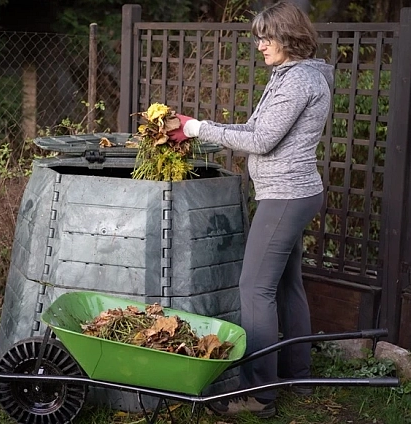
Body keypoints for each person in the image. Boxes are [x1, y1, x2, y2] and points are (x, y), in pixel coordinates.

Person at [168, 1, 334, 418]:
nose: (259, 45)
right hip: (292, 192)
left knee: (254, 288)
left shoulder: (298, 82)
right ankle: (299, 374)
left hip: (285, 196)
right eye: (258, 37)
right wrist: (199, 132)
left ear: (288, 37)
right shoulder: (291, 75)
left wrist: (193, 126)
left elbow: (262, 142)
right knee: (285, 286)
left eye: (266, 37)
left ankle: (259, 393)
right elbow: (256, 130)